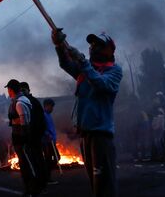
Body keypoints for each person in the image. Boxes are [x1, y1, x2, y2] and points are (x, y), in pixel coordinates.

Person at [52, 30, 122, 197]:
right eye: (92, 44)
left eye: (98, 45)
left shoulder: (114, 71)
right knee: (95, 183)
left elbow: (101, 84)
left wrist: (83, 61)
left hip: (101, 135)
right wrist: (59, 46)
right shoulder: (86, 68)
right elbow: (66, 64)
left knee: (104, 186)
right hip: (86, 134)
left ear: (109, 50)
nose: (93, 47)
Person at [6, 79, 40, 196]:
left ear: (11, 90)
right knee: (24, 164)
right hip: (19, 137)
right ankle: (29, 188)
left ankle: (33, 188)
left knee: (27, 164)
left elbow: (24, 121)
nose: (8, 92)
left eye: (8, 90)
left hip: (22, 138)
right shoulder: (18, 100)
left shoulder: (19, 102)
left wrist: (23, 136)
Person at [20, 82, 48, 190]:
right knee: (37, 160)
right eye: (21, 90)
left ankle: (39, 183)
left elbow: (38, 121)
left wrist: (33, 134)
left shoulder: (30, 102)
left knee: (36, 161)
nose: (22, 92)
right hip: (34, 136)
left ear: (28, 90)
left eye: (24, 89)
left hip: (33, 137)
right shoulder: (30, 102)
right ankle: (41, 182)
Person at [42, 99, 59, 185]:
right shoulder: (43, 115)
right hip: (47, 142)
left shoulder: (49, 115)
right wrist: (47, 134)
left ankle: (45, 175)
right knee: (48, 159)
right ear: (46, 105)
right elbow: (42, 128)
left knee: (57, 157)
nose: (52, 109)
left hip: (52, 141)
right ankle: (46, 178)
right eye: (51, 106)